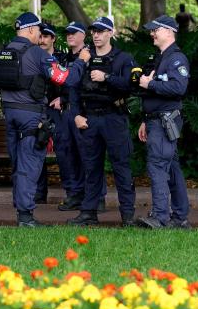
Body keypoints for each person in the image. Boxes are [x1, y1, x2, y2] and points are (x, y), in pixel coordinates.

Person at [0, 12, 89, 227]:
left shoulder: (2, 53)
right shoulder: (37, 54)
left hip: (9, 114)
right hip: (30, 117)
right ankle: (25, 216)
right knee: (29, 165)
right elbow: (64, 77)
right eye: (39, 32)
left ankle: (21, 209)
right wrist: (80, 62)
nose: (40, 36)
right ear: (31, 30)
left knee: (17, 164)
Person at [65, 16, 136, 227]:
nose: (96, 35)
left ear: (110, 33)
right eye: (94, 31)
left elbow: (131, 86)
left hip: (114, 117)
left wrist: (106, 78)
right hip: (90, 118)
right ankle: (88, 213)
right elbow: (73, 88)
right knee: (91, 167)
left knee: (121, 167)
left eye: (101, 31)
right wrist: (76, 114)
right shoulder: (84, 57)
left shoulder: (123, 58)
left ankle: (128, 215)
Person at [136, 15, 191, 229]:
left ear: (168, 31)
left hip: (164, 122)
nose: (152, 34)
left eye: (155, 30)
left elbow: (179, 88)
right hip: (157, 120)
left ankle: (159, 217)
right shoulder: (162, 57)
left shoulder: (176, 58)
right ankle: (179, 217)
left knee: (158, 165)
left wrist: (150, 85)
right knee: (172, 168)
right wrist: (144, 119)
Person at [57, 21, 107, 212]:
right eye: (67, 33)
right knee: (67, 155)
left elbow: (87, 84)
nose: (69, 36)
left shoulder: (90, 56)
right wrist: (60, 96)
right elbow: (61, 82)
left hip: (83, 112)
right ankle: (75, 195)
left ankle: (98, 197)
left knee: (89, 155)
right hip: (66, 111)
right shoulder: (63, 58)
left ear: (82, 36)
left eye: (73, 33)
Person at [34, 23, 65, 204]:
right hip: (38, 111)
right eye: (41, 36)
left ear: (53, 38)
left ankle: (71, 192)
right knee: (37, 150)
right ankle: (39, 193)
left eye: (47, 36)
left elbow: (70, 82)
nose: (43, 39)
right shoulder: (33, 57)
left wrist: (63, 98)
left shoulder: (62, 58)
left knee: (63, 150)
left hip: (57, 111)